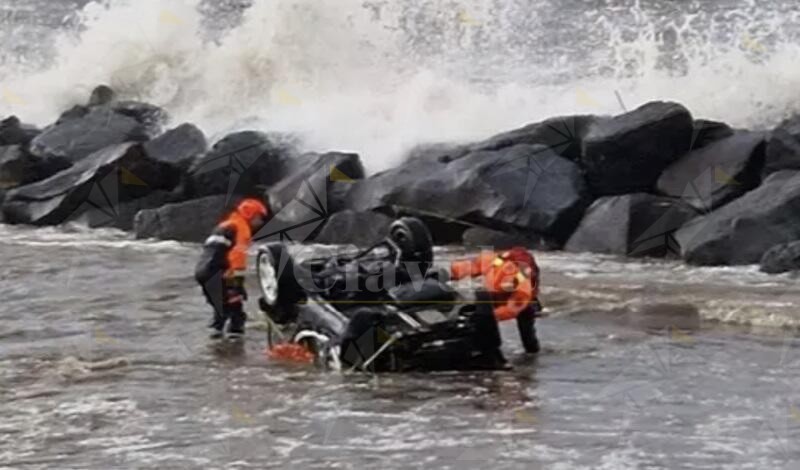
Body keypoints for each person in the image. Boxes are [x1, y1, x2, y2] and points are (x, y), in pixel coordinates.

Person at [194, 198, 269, 339]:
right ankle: (236, 345)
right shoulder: (241, 228)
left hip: (202, 272)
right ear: (250, 214)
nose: (261, 222)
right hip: (219, 271)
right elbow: (237, 255)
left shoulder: (224, 225)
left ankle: (216, 342)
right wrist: (237, 283)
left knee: (221, 309)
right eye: (259, 217)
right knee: (236, 309)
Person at [450, 247, 542, 354]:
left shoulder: (523, 286)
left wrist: (491, 316)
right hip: (495, 292)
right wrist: (452, 273)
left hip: (523, 300)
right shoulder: (494, 262)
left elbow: (512, 310)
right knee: (478, 314)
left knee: (528, 335)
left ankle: (532, 351)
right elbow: (469, 266)